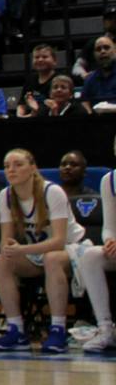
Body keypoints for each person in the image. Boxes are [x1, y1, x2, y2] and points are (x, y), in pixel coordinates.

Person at [0, 147, 84, 354]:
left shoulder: (52, 192)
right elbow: (6, 242)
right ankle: (16, 329)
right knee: (0, 260)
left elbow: (59, 241)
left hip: (72, 250)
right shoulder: (5, 196)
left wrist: (21, 249)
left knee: (52, 258)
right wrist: (10, 249)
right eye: (7, 166)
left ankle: (58, 329)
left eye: (18, 165)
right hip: (34, 253)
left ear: (33, 168)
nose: (11, 170)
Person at [71, 141, 116, 352]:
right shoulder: (110, 180)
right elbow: (109, 227)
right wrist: (109, 241)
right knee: (90, 256)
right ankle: (105, 328)